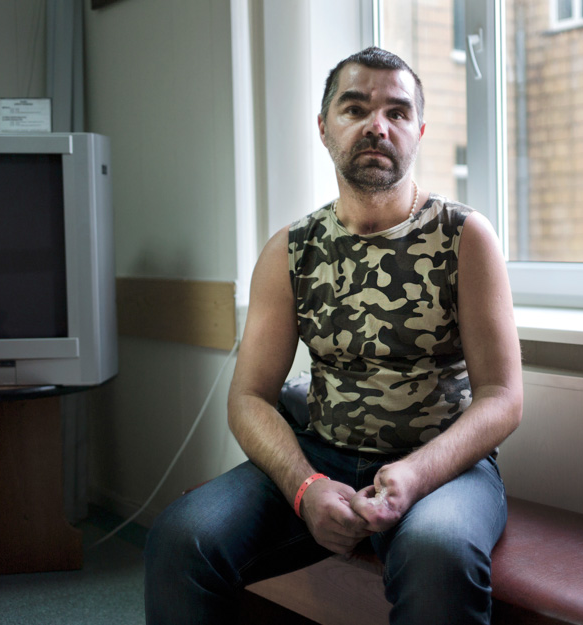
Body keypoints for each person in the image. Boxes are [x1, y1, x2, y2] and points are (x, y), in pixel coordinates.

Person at [144, 46, 523, 625]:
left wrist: (414, 474)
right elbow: (248, 398)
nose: (377, 126)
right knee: (180, 536)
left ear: (418, 132)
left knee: (437, 553)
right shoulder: (290, 250)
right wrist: (305, 488)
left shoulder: (466, 237)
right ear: (324, 128)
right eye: (355, 108)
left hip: (442, 468)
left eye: (397, 112)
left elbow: (503, 397)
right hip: (319, 455)